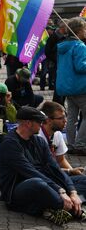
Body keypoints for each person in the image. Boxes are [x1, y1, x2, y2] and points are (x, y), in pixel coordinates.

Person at [0, 106, 85, 225]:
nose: (42, 123)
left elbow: (55, 168)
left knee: (82, 181)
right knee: (38, 183)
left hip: (47, 183)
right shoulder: (10, 143)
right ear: (28, 123)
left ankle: (57, 206)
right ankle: (70, 207)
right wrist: (60, 190)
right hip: (20, 187)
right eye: (39, 121)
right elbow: (30, 172)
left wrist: (72, 191)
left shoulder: (39, 141)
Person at [56, 17, 86, 155]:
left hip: (67, 87)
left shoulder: (63, 45)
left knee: (72, 117)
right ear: (79, 31)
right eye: (84, 28)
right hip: (80, 87)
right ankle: (80, 145)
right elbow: (80, 67)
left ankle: (71, 144)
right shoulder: (79, 46)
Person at [39, 102, 86, 185]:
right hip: (44, 177)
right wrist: (69, 171)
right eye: (61, 118)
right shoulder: (38, 136)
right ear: (48, 120)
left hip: (56, 173)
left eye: (65, 117)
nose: (65, 121)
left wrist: (74, 172)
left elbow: (61, 160)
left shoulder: (57, 134)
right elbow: (42, 168)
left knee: (82, 179)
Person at [46, 19, 68, 104]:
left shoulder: (66, 36)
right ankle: (57, 104)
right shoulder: (54, 37)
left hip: (64, 66)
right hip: (56, 65)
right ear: (62, 28)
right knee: (58, 87)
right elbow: (47, 51)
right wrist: (57, 59)